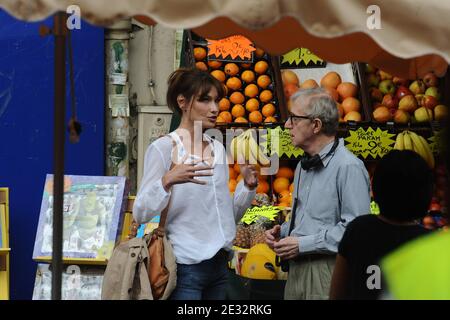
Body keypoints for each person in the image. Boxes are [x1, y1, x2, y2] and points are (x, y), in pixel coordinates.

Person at [133, 68, 258, 300]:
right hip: (185, 266)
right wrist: (167, 180)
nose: (214, 108)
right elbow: (140, 212)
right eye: (205, 99)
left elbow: (226, 217)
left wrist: (247, 187)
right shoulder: (164, 148)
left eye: (216, 100)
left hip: (219, 266)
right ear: (183, 102)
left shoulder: (217, 149)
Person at [265, 88, 371, 300]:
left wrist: (302, 244)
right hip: (297, 270)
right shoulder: (303, 166)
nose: (287, 125)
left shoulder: (348, 167)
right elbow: (312, 218)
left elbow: (356, 232)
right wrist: (284, 232)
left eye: (294, 118)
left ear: (316, 125)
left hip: (327, 271)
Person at [329, 150, 433, 300]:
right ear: (427, 194)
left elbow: (336, 294)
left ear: (373, 187)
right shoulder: (430, 243)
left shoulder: (358, 230)